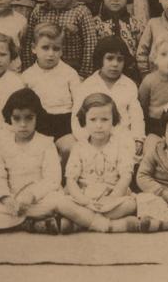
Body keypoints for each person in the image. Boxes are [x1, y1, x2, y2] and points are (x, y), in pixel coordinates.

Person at [56, 93, 141, 233]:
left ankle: (82, 222)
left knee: (131, 204)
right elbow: (71, 181)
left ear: (113, 120)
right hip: (85, 200)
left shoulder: (120, 146)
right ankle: (106, 225)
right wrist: (84, 201)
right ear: (84, 121)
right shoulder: (79, 147)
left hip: (112, 199)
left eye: (105, 119)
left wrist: (112, 198)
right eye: (93, 120)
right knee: (62, 204)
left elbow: (126, 176)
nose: (99, 125)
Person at [0, 88, 63, 234]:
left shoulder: (46, 143)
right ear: (9, 118)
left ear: (37, 117)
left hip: (37, 198)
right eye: (17, 118)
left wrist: (32, 195)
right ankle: (30, 224)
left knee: (57, 200)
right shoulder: (2, 144)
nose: (23, 124)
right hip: (12, 199)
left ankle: (16, 222)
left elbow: (52, 179)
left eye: (29, 118)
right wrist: (6, 199)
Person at [72, 37, 145, 161]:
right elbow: (76, 117)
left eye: (120, 59)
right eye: (109, 58)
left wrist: (138, 138)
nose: (115, 64)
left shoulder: (129, 85)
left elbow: (136, 116)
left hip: (122, 136)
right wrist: (85, 139)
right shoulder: (88, 85)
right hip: (95, 136)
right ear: (101, 59)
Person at [22, 0, 98, 79]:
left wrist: (84, 75)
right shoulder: (39, 12)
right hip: (42, 70)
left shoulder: (81, 12)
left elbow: (90, 46)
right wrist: (29, 69)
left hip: (73, 71)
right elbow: (28, 43)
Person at [21, 22, 80, 143]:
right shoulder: (27, 76)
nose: (51, 54)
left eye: (56, 49)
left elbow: (79, 103)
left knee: (69, 147)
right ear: (34, 48)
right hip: (39, 124)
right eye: (45, 48)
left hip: (65, 122)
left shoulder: (70, 73)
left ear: (62, 50)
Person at [92, 0, 145, 82]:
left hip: (131, 75)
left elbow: (141, 52)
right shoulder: (95, 23)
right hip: (103, 75)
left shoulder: (136, 23)